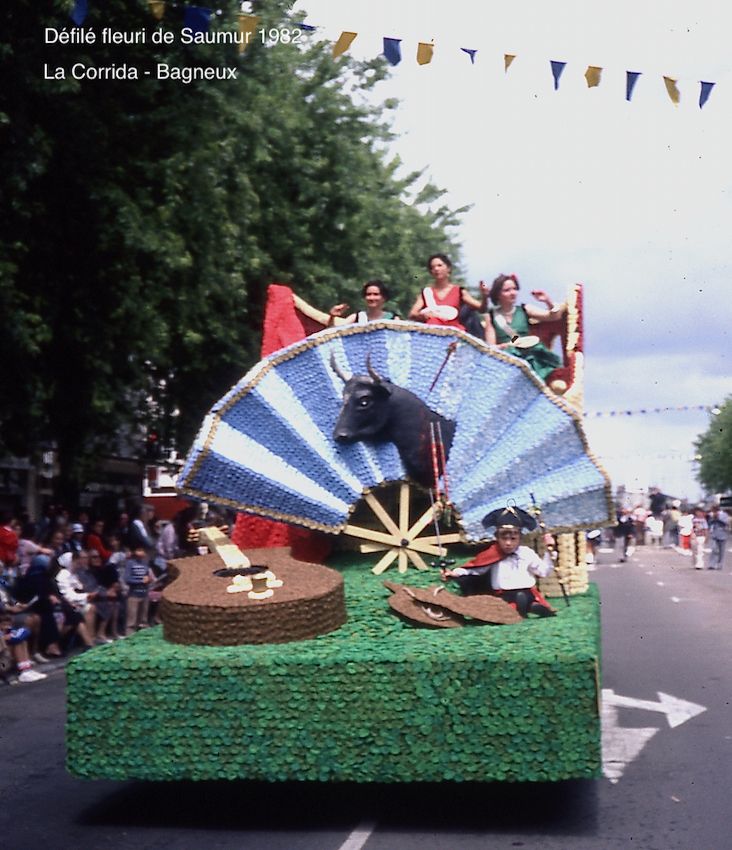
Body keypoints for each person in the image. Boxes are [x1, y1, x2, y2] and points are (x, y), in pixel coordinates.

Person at [441, 506, 556, 617]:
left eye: (513, 539)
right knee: (502, 605)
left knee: (524, 597)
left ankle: (528, 605)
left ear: (520, 538)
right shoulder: (492, 553)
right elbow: (475, 569)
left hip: (527, 591)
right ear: (497, 538)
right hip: (503, 594)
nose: (508, 543)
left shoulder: (526, 553)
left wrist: (549, 553)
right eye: (504, 538)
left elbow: (543, 572)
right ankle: (521, 607)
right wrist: (455, 573)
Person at [483, 273, 565, 382]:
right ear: (498, 294)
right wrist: (507, 345)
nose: (513, 293)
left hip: (530, 354)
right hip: (507, 358)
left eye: (514, 289)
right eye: (507, 290)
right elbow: (491, 347)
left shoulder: (524, 309)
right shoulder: (491, 315)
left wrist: (547, 301)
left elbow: (554, 316)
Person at [408, 253, 483, 331]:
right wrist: (423, 315)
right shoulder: (426, 293)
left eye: (439, 265)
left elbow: (481, 308)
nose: (436, 269)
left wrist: (484, 295)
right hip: (431, 333)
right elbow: (412, 314)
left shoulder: (459, 291)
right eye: (433, 267)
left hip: (453, 334)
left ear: (448, 268)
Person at [328, 280, 400, 325]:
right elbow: (334, 334)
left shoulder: (393, 319)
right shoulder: (357, 317)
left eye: (376, 294)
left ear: (384, 297)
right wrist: (332, 317)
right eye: (368, 294)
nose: (371, 298)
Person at [124, 545, 157, 634]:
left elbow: (147, 577)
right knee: (131, 622)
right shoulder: (130, 563)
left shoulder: (145, 563)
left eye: (143, 550)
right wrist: (140, 581)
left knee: (143, 620)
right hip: (133, 595)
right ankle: (129, 638)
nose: (141, 552)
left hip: (144, 594)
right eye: (139, 550)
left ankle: (143, 638)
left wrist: (149, 580)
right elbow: (127, 579)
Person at [708, 506, 729, 570]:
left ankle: (720, 564)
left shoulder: (724, 515)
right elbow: (709, 523)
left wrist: (718, 518)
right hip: (714, 534)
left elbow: (726, 523)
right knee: (714, 549)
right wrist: (713, 518)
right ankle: (712, 564)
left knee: (721, 551)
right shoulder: (711, 515)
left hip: (723, 534)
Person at [691, 506, 708, 571]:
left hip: (701, 536)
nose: (699, 513)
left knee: (700, 551)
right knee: (694, 551)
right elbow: (691, 529)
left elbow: (706, 529)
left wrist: (706, 537)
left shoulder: (703, 521)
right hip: (694, 536)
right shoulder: (693, 520)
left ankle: (700, 564)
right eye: (697, 512)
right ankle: (695, 563)